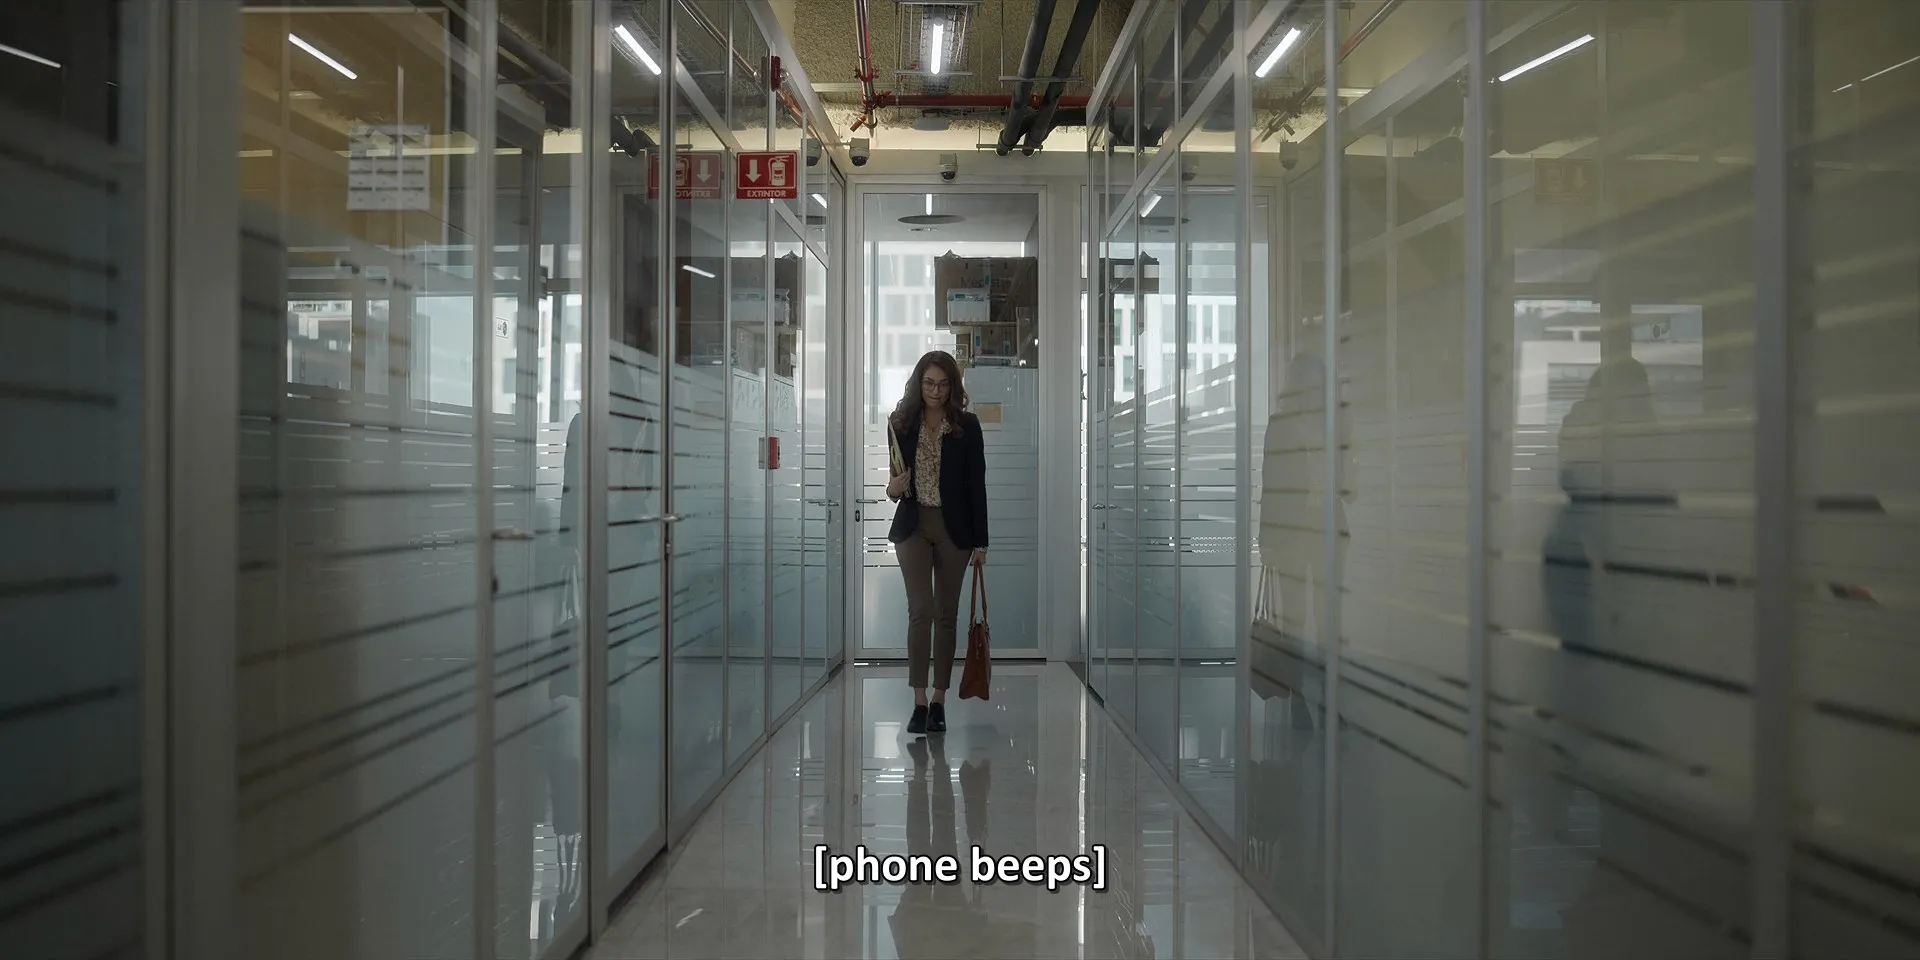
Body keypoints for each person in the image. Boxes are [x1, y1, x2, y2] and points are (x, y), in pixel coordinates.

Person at [885, 350, 990, 735]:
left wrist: (981, 543)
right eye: (929, 383)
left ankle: (939, 702)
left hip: (954, 528)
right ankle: (918, 701)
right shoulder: (901, 423)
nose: (936, 391)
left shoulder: (967, 426)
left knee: (947, 614)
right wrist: (892, 488)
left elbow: (976, 485)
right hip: (914, 526)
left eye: (943, 384)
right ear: (918, 383)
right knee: (921, 611)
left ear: (952, 387)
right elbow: (894, 485)